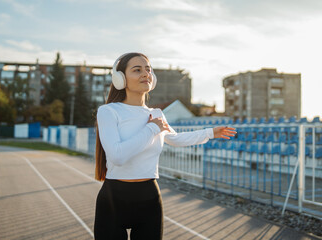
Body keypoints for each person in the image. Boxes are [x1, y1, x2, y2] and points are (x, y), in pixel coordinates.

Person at [94, 52, 236, 240]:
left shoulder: (157, 114)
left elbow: (175, 139)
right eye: (137, 70)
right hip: (114, 199)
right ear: (120, 79)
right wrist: (151, 128)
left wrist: (210, 133)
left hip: (149, 198)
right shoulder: (108, 111)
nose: (145, 74)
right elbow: (117, 156)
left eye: (148, 69)